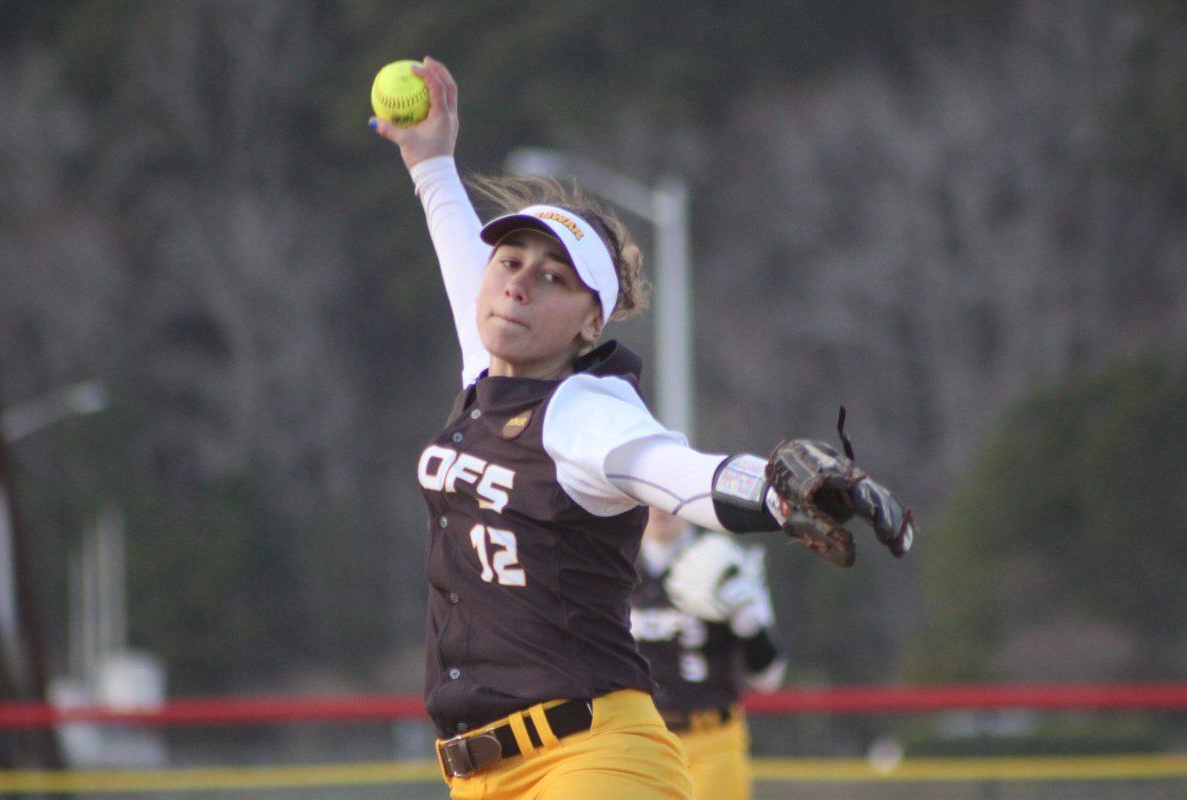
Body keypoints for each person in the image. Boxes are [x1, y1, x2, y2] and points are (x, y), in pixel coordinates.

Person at [370, 56, 914, 800]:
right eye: (511, 261)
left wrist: (780, 493)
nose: (520, 282)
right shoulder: (488, 373)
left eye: (554, 276)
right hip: (483, 776)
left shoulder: (583, 409)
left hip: (592, 760)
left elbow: (673, 471)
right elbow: (470, 266)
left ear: (591, 321)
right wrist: (431, 163)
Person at [632, 508, 786, 800]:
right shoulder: (613, 564)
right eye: (650, 494)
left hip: (711, 739)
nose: (660, 508)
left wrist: (748, 621)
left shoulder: (725, 562)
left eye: (667, 494)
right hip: (636, 742)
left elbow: (769, 678)